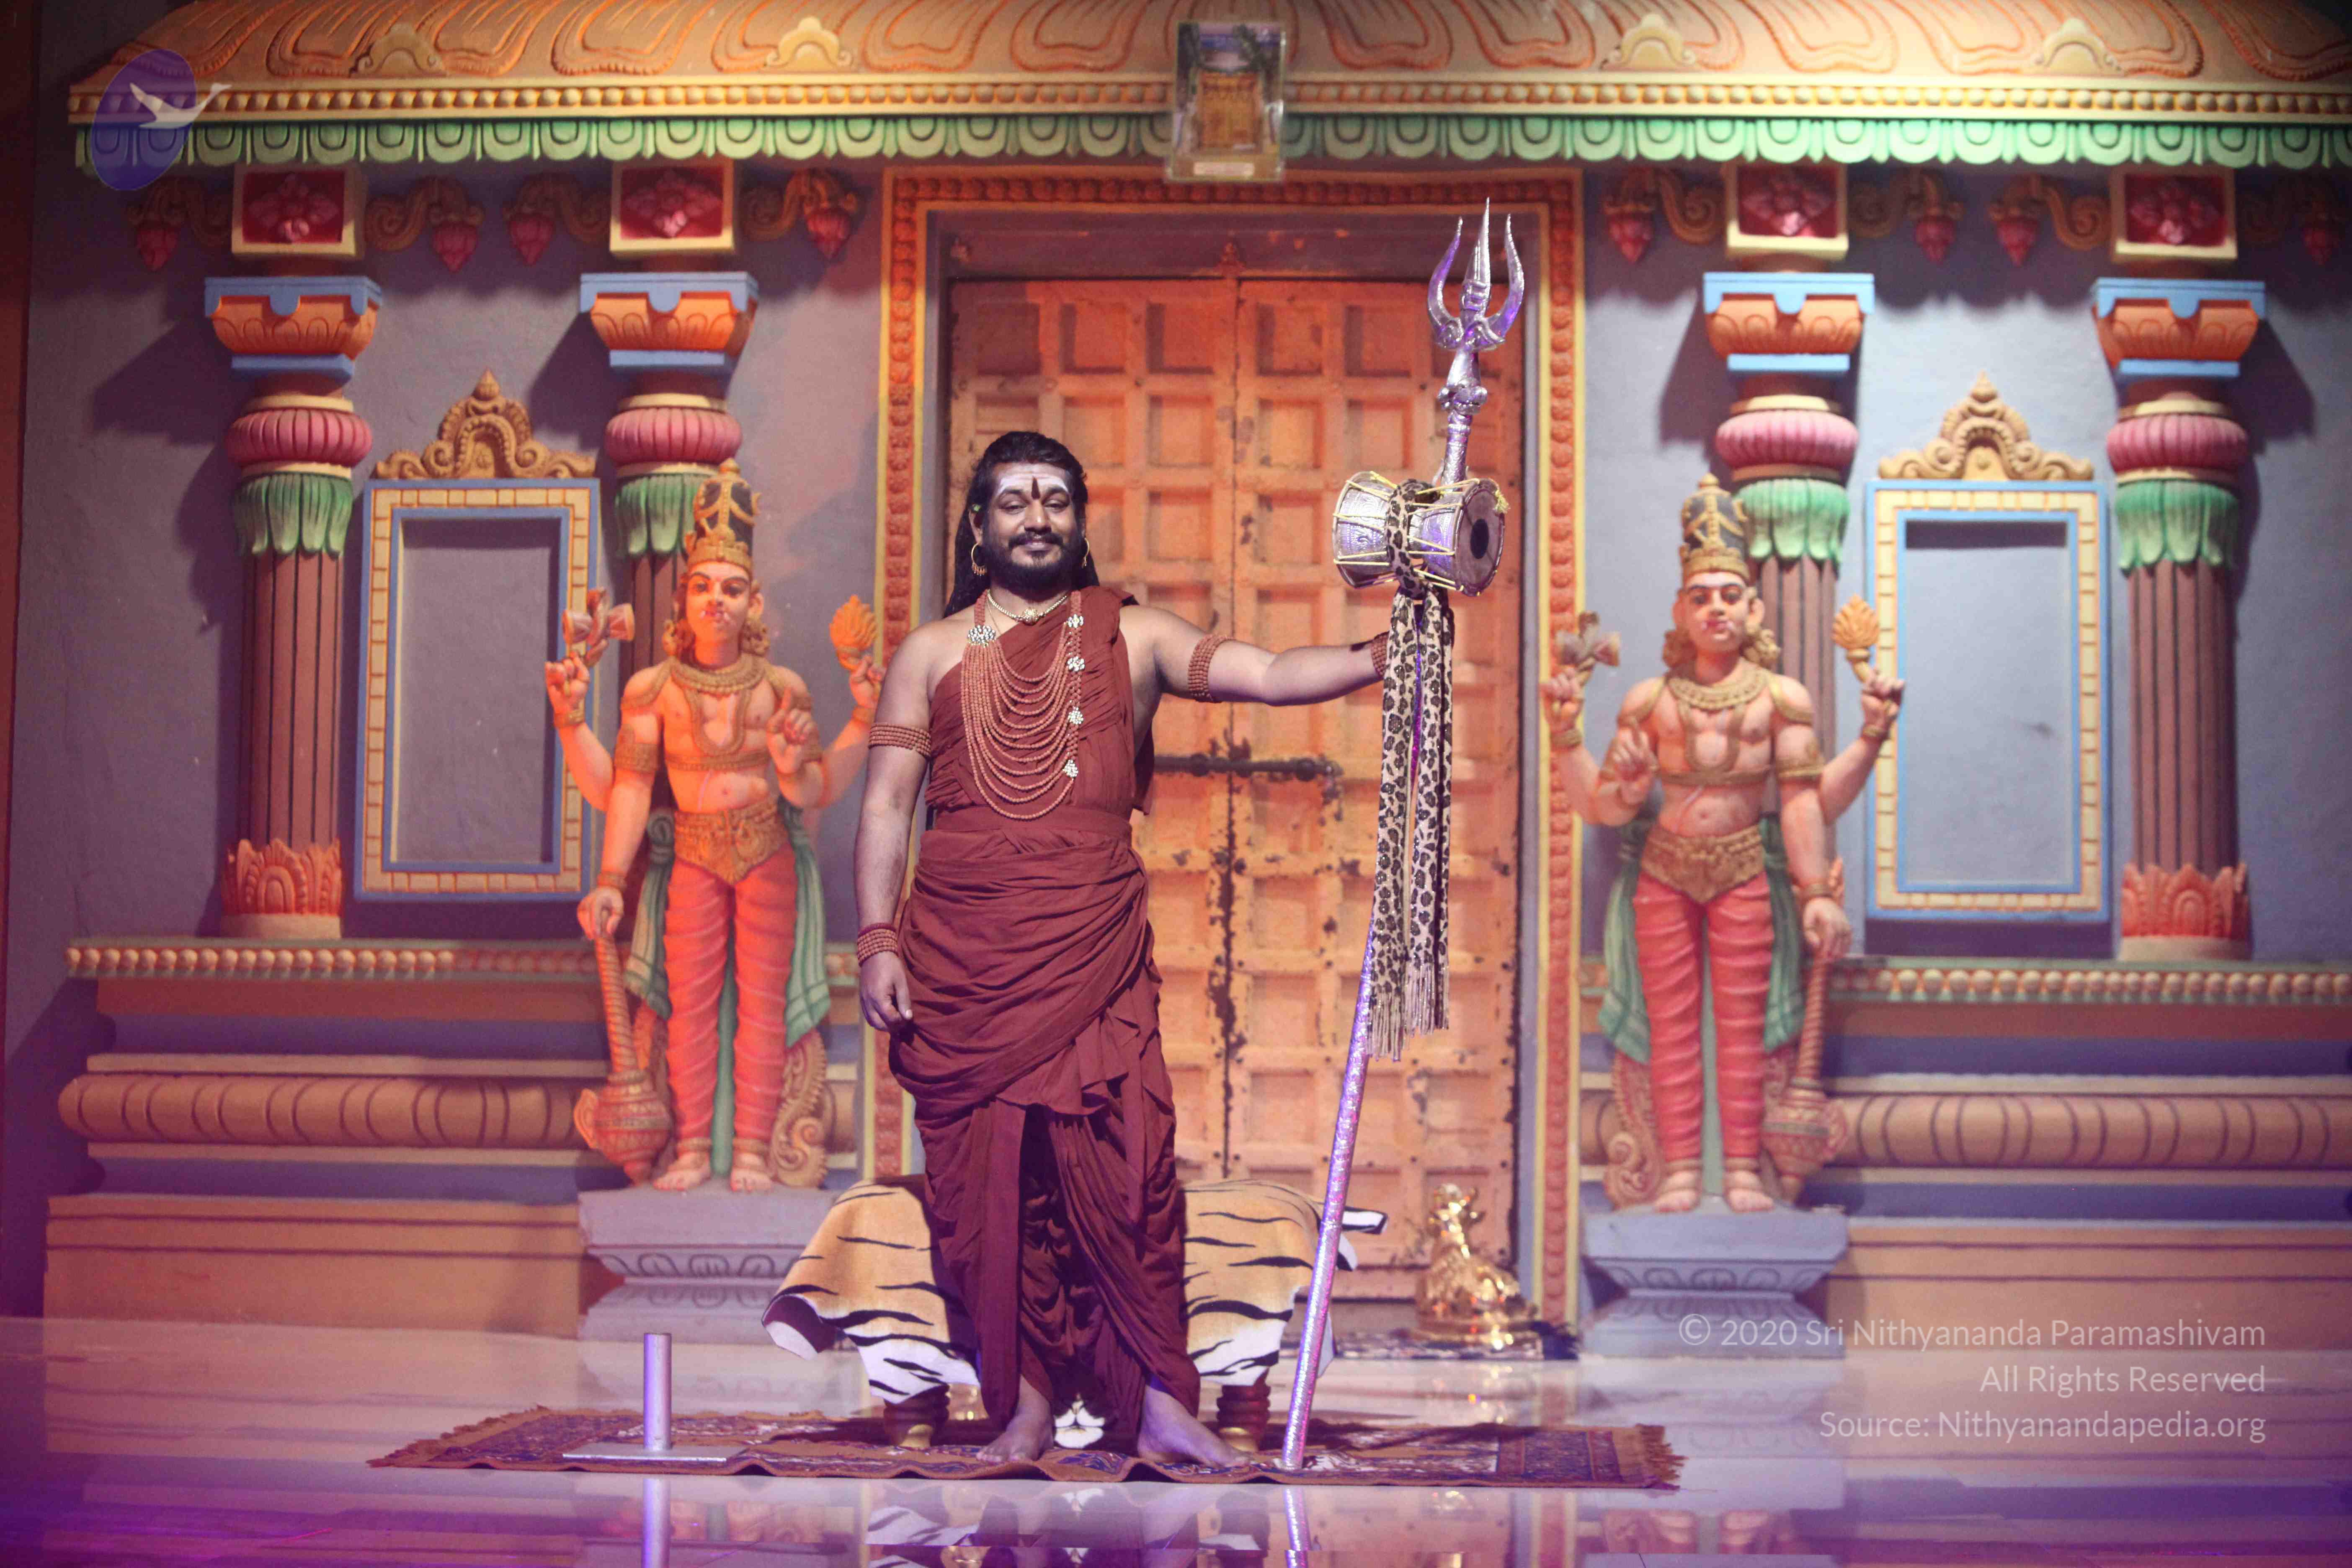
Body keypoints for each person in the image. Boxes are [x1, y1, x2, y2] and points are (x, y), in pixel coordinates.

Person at [853, 430, 1386, 1465]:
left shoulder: (1132, 636)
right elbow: (885, 807)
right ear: (978, 527)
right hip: (966, 962)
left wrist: (1382, 655)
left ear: (1079, 521)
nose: (1037, 517)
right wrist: (878, 940)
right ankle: (1023, 1406)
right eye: (1014, 501)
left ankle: (1156, 1402)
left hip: (1091, 955)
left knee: (1128, 1175)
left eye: (1056, 499)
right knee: (994, 1193)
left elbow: (1270, 675)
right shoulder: (928, 654)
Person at [1542, 475, 1902, 1215]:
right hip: (1665, 873)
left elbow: (1804, 803)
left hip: (1744, 871)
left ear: (1753, 610)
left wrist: (1818, 891)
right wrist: (1568, 736)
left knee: (1744, 1031)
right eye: (1701, 596)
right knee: (1671, 1028)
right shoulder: (1651, 702)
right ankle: (1679, 1169)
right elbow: (1603, 808)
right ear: (1681, 611)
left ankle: (1741, 1169)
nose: (1716, 608)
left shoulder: (1781, 700)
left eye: (1730, 596)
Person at [554, 467, 880, 1193]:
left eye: (732, 589)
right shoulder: (654, 690)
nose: (716, 601)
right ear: (682, 598)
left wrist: (857, 720)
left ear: (753, 602)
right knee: (690, 1005)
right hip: (695, 854)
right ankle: (695, 1148)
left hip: (767, 851)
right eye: (702, 587)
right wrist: (609, 880)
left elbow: (814, 790)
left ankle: (756, 1151)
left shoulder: (782, 688)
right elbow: (627, 789)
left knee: (763, 1006)